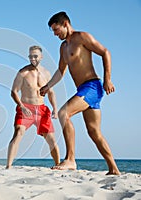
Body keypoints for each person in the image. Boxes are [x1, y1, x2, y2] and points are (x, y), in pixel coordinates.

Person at [40, 11, 120, 175]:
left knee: (63, 113)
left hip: (92, 86)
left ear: (65, 24)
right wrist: (48, 86)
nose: (55, 34)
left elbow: (105, 52)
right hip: (83, 90)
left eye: (56, 30)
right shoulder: (63, 47)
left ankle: (70, 159)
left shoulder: (82, 37)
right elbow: (61, 71)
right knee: (94, 132)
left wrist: (108, 79)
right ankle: (114, 169)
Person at [6, 45, 60, 169]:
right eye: (30, 56)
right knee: (18, 132)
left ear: (41, 57)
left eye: (35, 56)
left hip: (42, 109)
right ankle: (8, 166)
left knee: (51, 138)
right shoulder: (23, 72)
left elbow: (51, 92)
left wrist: (55, 109)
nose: (33, 59)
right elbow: (13, 92)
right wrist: (21, 106)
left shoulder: (46, 73)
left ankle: (58, 165)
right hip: (25, 108)